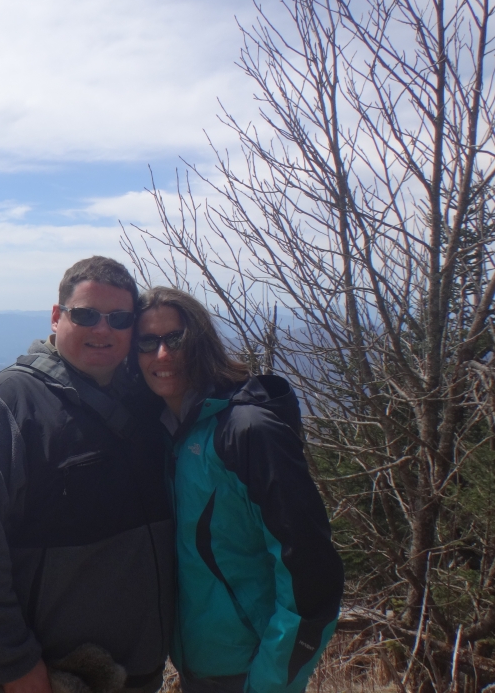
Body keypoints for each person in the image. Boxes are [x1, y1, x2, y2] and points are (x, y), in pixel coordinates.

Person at [0, 256, 173, 693]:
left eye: (119, 319)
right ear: (57, 317)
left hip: (142, 673)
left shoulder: (148, 400)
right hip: (55, 679)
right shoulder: (3, 406)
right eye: (86, 315)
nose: (103, 329)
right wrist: (14, 664)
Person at [134, 286, 343, 693]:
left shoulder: (247, 432)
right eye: (147, 342)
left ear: (201, 341)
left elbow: (312, 571)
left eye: (175, 338)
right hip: (196, 667)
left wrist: (270, 682)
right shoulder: (165, 434)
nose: (162, 354)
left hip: (252, 672)